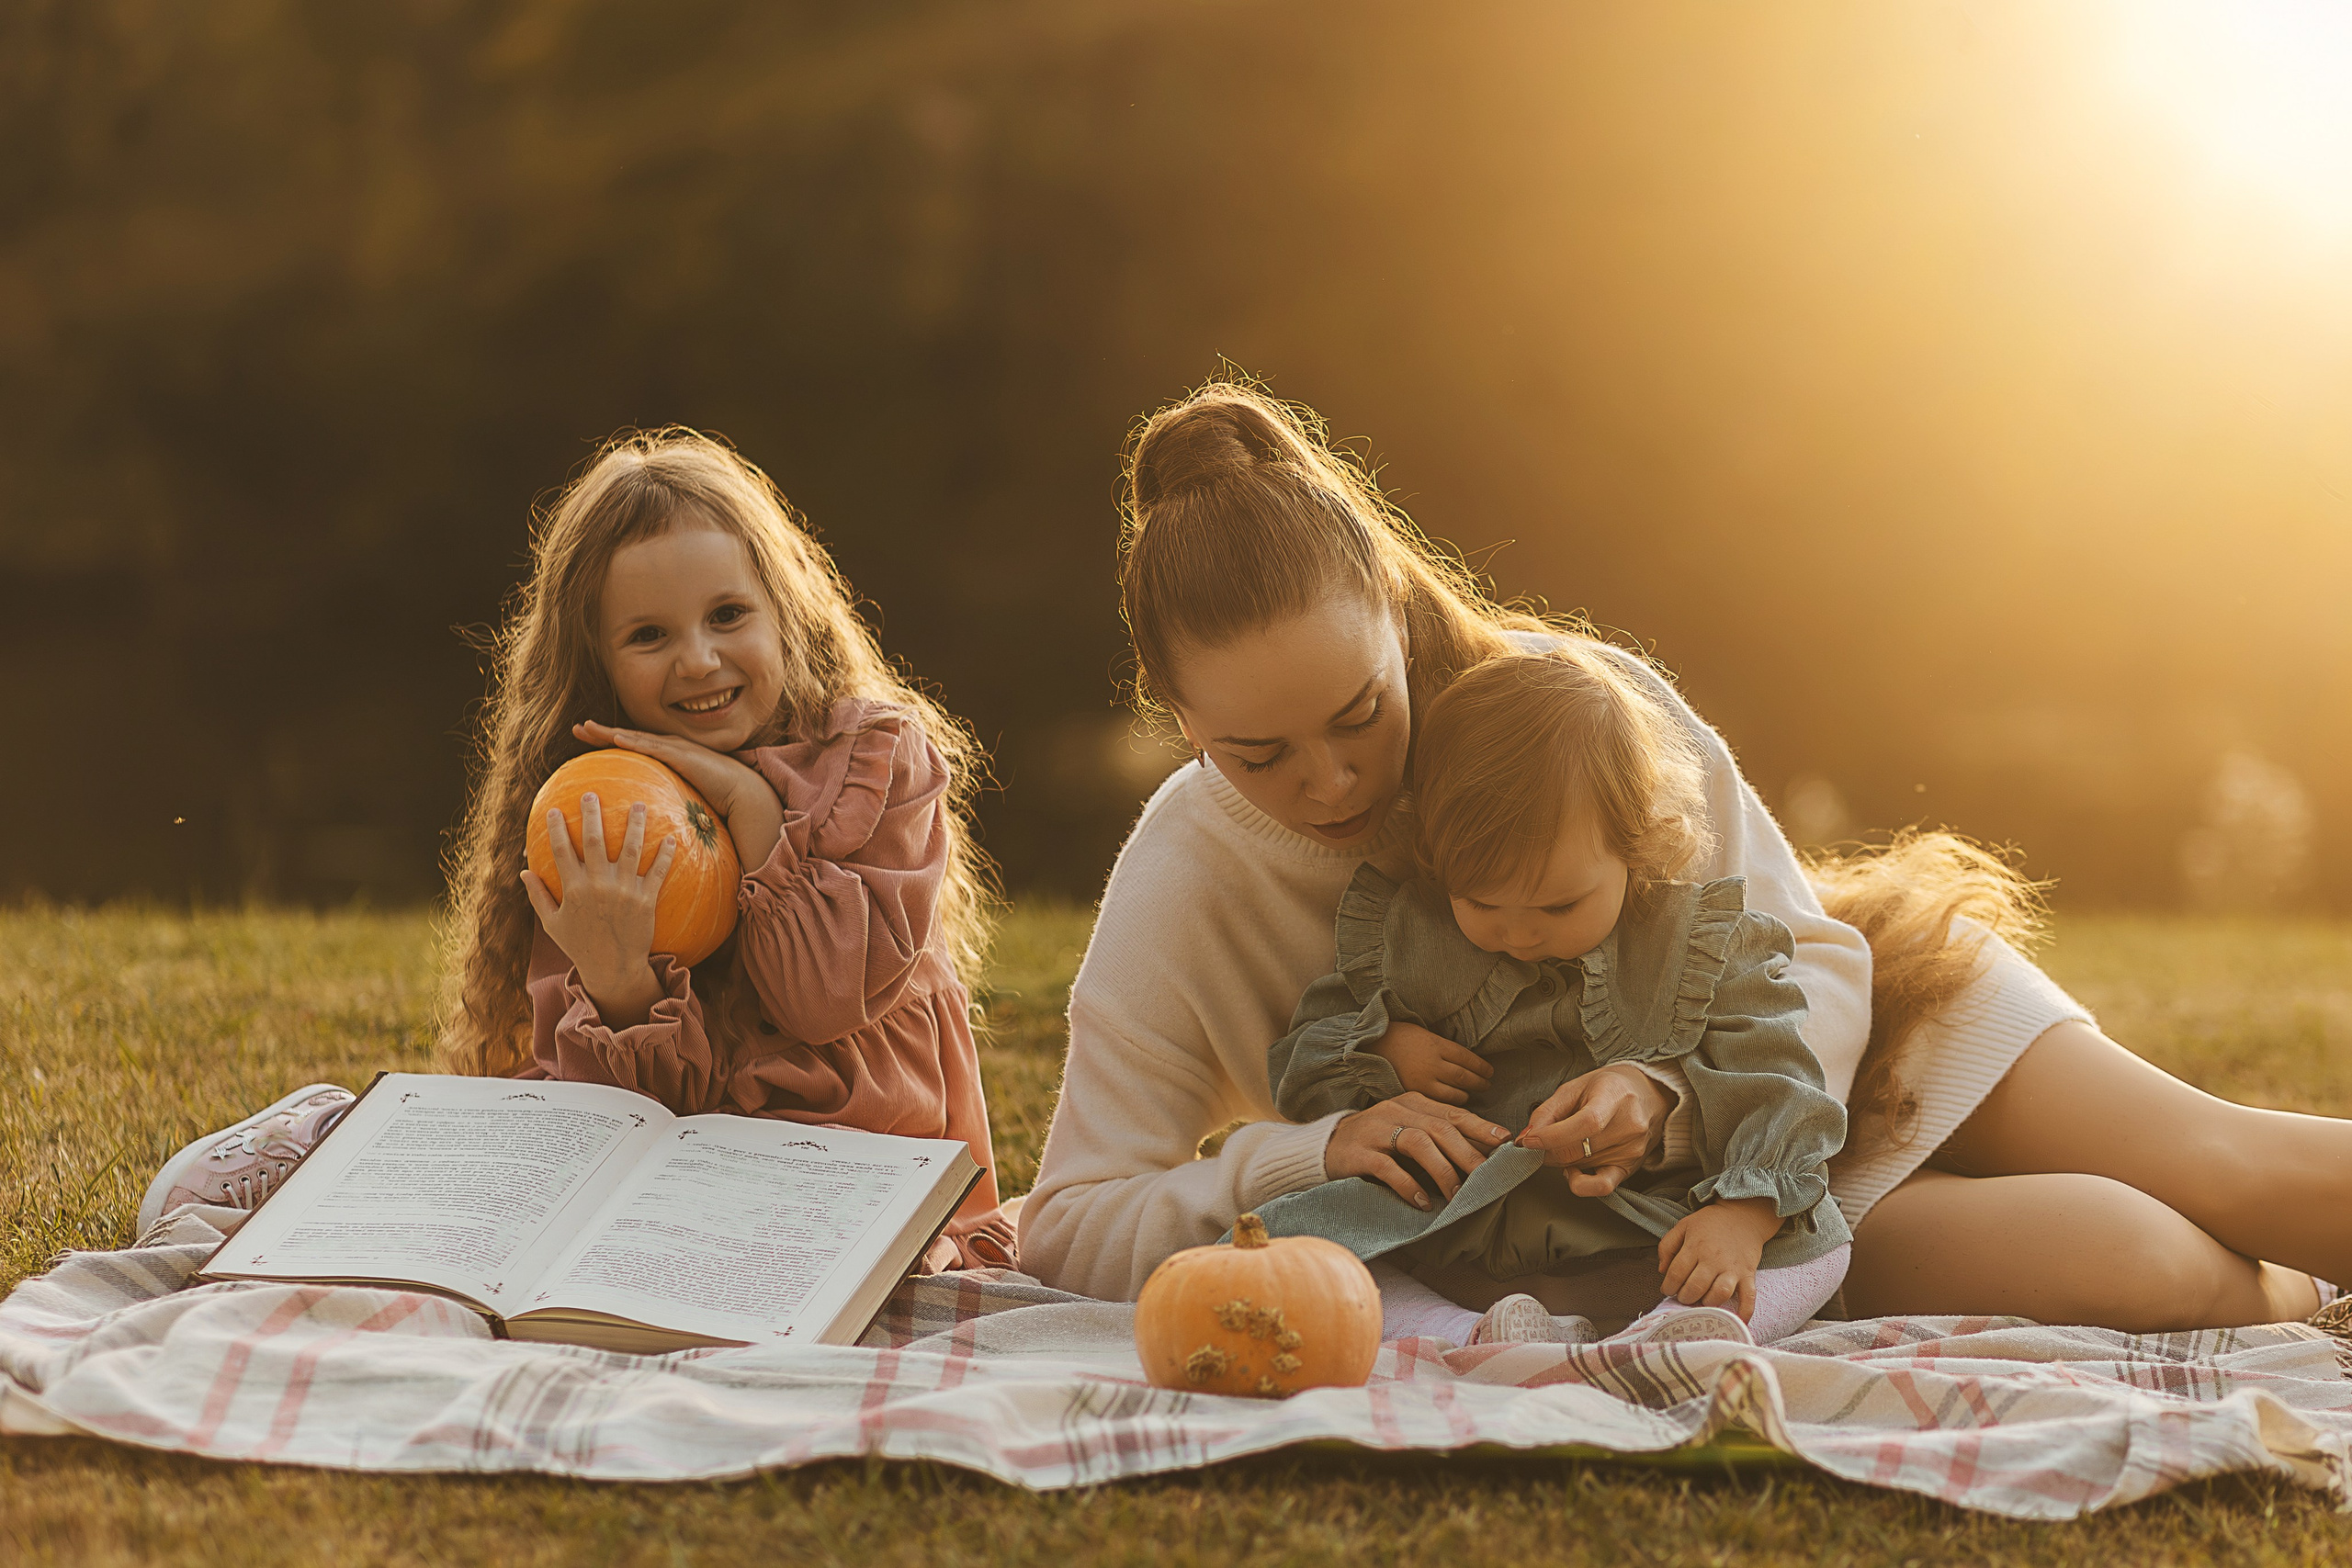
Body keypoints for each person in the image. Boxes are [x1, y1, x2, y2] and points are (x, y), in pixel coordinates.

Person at [1019, 375, 2346, 1331]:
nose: (1334, 778)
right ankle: (2307, 1300)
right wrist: (1312, 1151)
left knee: (2227, 1163)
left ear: (1390, 601)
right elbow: (1072, 1219)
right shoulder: (1187, 875)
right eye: (1258, 754)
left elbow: (1818, 961)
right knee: (2147, 1264)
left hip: (1855, 1034)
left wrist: (1665, 1088)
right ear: (1177, 718)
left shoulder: (1568, 702)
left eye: (1363, 712)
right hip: (1702, 1222)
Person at [141, 430, 1015, 1270]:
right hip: (697, 1182)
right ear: (596, 660)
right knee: (515, 1238)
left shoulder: (874, 763)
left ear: (783, 612)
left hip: (864, 1178)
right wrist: (620, 984)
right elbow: (614, 1121)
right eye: (649, 635)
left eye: (727, 615)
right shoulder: (597, 806)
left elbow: (822, 998)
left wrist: (749, 803)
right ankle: (333, 1144)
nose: (700, 660)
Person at [1255, 648, 1852, 1348]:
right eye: (1480, 901)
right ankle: (1469, 1336)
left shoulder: (1701, 941)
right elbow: (1299, 1061)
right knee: (1294, 1247)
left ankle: (1673, 1338)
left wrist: (1743, 1215)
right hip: (1458, 1236)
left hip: (1649, 1233)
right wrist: (1382, 1049)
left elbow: (1780, 1080)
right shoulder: (1408, 933)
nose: (1517, 931)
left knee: (1821, 1245)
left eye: (1560, 904)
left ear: (1637, 842)